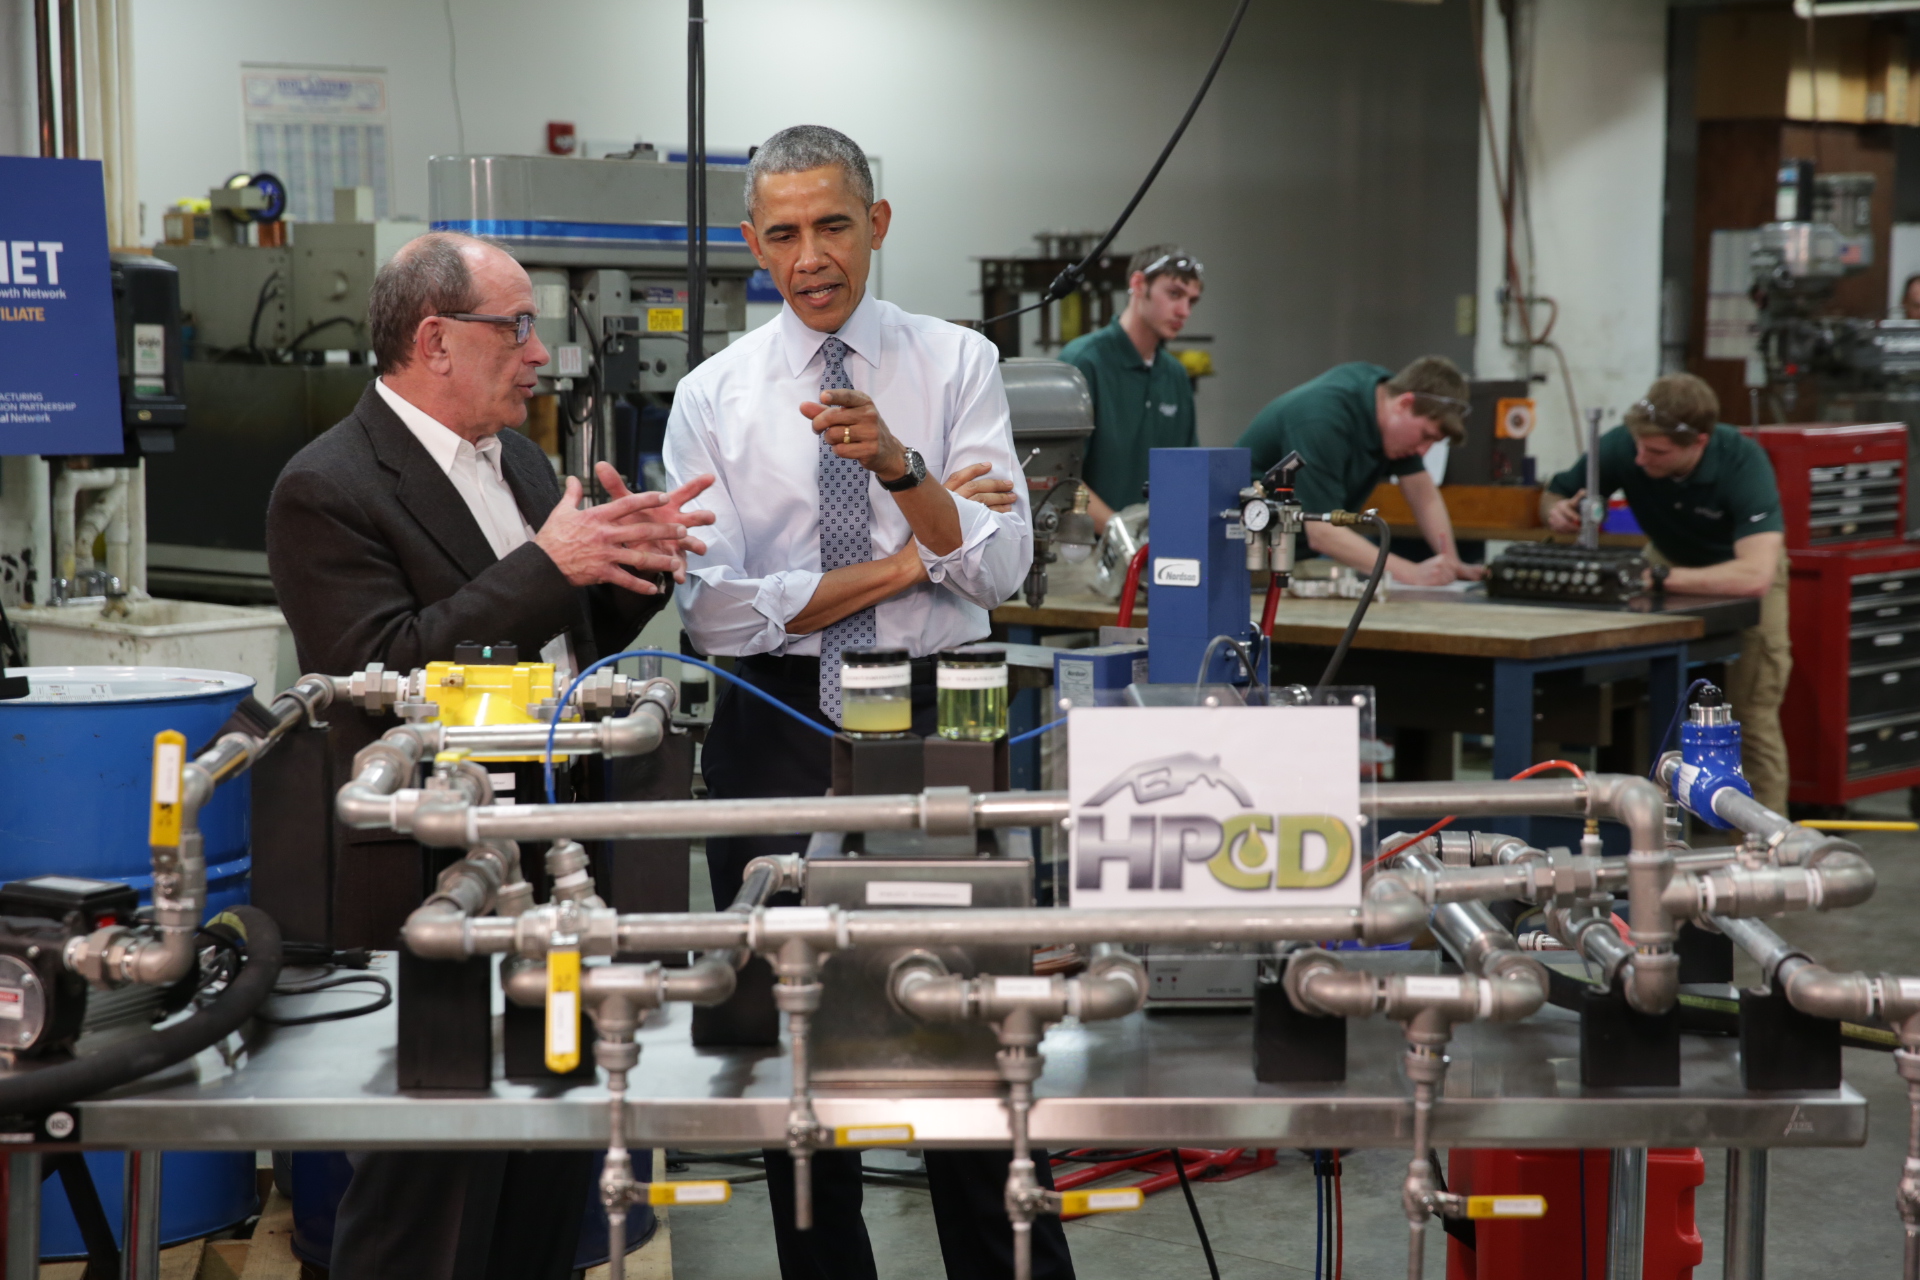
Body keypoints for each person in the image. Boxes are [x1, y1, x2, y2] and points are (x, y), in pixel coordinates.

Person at [265, 230, 713, 1279]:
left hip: (558, 871)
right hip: (434, 884)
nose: (539, 353)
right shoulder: (325, 486)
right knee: (428, 1184)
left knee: (547, 1157)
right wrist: (551, 562)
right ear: (435, 340)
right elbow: (385, 668)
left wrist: (617, 561)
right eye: (515, 327)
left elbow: (556, 638)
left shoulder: (515, 458)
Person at [663, 124, 1063, 1280]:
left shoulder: (955, 364)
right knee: (798, 1046)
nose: (812, 256)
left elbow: (998, 574)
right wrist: (918, 543)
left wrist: (898, 465)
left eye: (833, 225)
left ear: (877, 223)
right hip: (775, 718)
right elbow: (718, 616)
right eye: (782, 234)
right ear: (752, 245)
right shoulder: (714, 397)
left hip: (941, 716)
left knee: (965, 1032)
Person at [1541, 373, 1790, 812]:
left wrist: (1657, 579)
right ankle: (1646, 830)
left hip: (1739, 570)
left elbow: (1754, 575)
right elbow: (1556, 492)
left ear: (1699, 442)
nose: (1639, 460)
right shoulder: (1628, 445)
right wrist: (1556, 510)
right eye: (1637, 447)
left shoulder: (1742, 462)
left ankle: (1766, 853)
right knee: (1646, 706)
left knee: (1750, 718)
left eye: (1656, 453)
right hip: (1665, 563)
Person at [1237, 356, 1483, 585]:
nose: (1423, 452)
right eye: (1425, 436)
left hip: (1292, 555)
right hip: (1244, 558)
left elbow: (1422, 491)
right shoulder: (1323, 420)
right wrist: (1412, 573)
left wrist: (1451, 561)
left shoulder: (1384, 399)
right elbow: (1323, 533)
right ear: (1405, 403)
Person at [1057, 245, 1202, 533]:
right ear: (1137, 284)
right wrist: (1120, 533)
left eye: (1191, 301)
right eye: (1174, 294)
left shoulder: (1174, 375)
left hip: (1152, 549)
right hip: (1084, 550)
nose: (1183, 311)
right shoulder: (1083, 363)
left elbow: (1186, 471)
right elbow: (1060, 476)